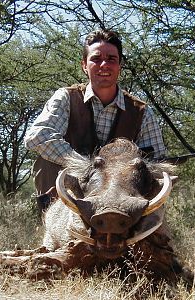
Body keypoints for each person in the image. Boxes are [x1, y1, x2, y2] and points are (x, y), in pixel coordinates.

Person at [24, 29, 167, 211]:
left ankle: (143, 232)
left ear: (119, 65)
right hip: (73, 186)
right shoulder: (66, 98)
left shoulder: (142, 112)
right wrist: (85, 167)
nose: (104, 65)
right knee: (47, 161)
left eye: (111, 59)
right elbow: (37, 136)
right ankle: (53, 225)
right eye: (96, 59)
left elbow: (157, 162)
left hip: (122, 195)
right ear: (84, 65)